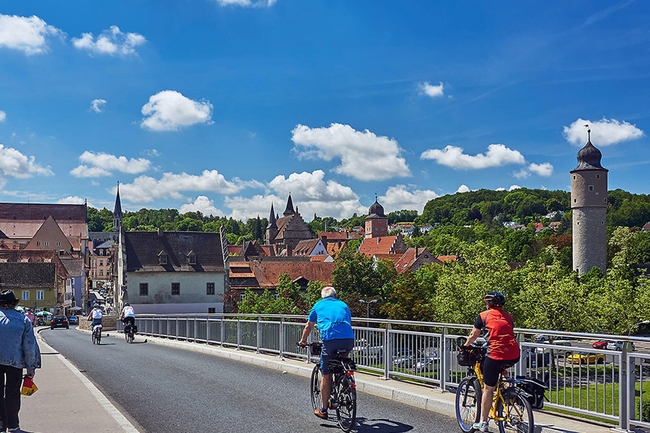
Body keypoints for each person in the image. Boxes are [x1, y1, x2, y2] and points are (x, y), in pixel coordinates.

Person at [463, 291, 520, 433]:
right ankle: (506, 390)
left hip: (495, 354)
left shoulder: (484, 316)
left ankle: (482, 422)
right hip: (514, 354)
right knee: (502, 366)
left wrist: (465, 346)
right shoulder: (509, 317)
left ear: (488, 303)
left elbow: (474, 335)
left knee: (488, 388)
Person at [298, 286, 355, 420]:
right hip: (348, 339)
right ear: (335, 295)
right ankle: (346, 384)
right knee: (343, 362)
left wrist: (303, 340)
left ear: (323, 296)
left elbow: (309, 325)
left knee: (327, 374)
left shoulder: (318, 305)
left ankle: (323, 410)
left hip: (330, 340)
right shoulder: (343, 305)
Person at [0, 290, 41, 432]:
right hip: (15, 362)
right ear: (14, 303)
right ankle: (13, 426)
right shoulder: (23, 320)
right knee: (12, 394)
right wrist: (31, 369)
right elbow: (29, 346)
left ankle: (0, 424)